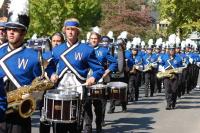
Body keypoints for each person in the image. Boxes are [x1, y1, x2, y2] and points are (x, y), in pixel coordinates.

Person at [45, 18, 104, 133]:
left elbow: (99, 69)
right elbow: (50, 67)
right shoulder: (58, 50)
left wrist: (93, 77)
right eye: (68, 29)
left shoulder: (87, 50)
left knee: (75, 127)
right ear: (64, 31)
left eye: (73, 29)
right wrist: (52, 74)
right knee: (59, 127)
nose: (70, 32)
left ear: (78, 32)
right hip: (61, 92)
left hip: (78, 93)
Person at [0, 0, 42, 132]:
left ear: (24, 33)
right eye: (9, 29)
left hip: (20, 115)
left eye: (16, 29)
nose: (11, 32)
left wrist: (32, 96)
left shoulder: (34, 57)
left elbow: (39, 87)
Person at [89, 31, 117, 131]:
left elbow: (114, 62)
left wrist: (107, 71)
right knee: (86, 105)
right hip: (86, 81)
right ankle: (87, 126)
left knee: (99, 105)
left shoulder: (104, 51)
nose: (93, 40)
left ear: (99, 40)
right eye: (91, 38)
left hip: (99, 80)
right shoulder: (84, 49)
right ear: (89, 39)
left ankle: (99, 124)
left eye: (95, 38)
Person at [39, 32, 65, 133]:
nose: (56, 43)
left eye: (58, 41)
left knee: (59, 120)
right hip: (47, 90)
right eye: (54, 41)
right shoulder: (45, 55)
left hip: (61, 89)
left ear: (63, 42)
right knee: (44, 119)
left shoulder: (65, 54)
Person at [160, 44, 182, 110]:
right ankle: (168, 104)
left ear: (175, 50)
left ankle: (173, 102)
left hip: (175, 75)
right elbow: (160, 65)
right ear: (168, 50)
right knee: (167, 90)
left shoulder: (178, 58)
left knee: (174, 90)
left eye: (173, 49)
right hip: (166, 75)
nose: (171, 51)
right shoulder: (164, 56)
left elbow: (181, 67)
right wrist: (162, 70)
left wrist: (178, 70)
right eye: (170, 49)